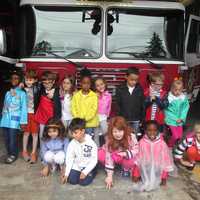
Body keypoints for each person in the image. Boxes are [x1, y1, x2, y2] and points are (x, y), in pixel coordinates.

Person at [132, 120, 173, 191]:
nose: (152, 133)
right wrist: (139, 168)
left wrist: (164, 169)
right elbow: (139, 155)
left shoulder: (161, 143)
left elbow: (165, 158)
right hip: (146, 163)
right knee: (135, 176)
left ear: (158, 131)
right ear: (145, 131)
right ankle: (138, 175)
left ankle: (163, 178)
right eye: (149, 130)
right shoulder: (142, 142)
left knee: (164, 170)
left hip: (158, 163)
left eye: (155, 130)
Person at [98, 116, 138, 189]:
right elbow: (108, 156)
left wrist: (126, 153)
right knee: (100, 154)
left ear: (124, 130)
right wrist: (109, 176)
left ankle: (126, 168)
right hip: (114, 156)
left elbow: (136, 149)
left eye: (120, 131)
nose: (118, 134)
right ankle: (111, 167)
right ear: (111, 131)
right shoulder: (109, 138)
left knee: (131, 160)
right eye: (115, 131)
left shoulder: (131, 136)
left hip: (124, 156)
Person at [0, 71, 27, 164]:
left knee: (12, 138)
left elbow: (24, 108)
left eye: (16, 78)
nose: (13, 80)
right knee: (6, 138)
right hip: (5, 119)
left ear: (20, 80)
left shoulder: (22, 94)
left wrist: (23, 122)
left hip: (15, 120)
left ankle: (13, 154)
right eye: (12, 78)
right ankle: (9, 153)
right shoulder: (8, 93)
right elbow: (4, 106)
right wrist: (2, 118)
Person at [61, 118, 97, 186]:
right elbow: (70, 159)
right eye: (72, 133)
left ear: (83, 131)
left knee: (83, 182)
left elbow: (94, 160)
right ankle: (81, 173)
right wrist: (66, 174)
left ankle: (93, 171)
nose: (73, 135)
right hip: (78, 165)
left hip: (88, 165)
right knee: (71, 180)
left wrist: (85, 172)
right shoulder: (72, 143)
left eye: (75, 133)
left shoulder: (91, 143)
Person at [116, 67, 144, 138]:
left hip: (136, 119)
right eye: (132, 80)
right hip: (124, 119)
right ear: (126, 77)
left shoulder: (140, 89)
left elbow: (142, 105)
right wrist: (119, 117)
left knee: (134, 136)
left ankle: (134, 148)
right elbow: (118, 105)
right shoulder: (120, 89)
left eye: (136, 80)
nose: (134, 82)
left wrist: (141, 118)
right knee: (123, 135)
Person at [34, 71, 61, 145]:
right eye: (44, 83)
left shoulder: (57, 91)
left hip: (52, 119)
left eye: (49, 82)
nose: (47, 85)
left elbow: (58, 105)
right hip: (42, 118)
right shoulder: (41, 89)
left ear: (53, 81)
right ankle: (43, 153)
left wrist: (53, 98)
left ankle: (53, 150)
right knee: (42, 135)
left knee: (53, 135)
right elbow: (33, 85)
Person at [71, 68, 99, 137]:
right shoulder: (76, 95)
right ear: (80, 83)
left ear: (90, 84)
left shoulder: (94, 96)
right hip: (78, 123)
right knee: (78, 137)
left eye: (88, 83)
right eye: (84, 83)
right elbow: (73, 107)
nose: (86, 85)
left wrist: (85, 119)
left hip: (89, 124)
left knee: (87, 139)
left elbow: (94, 109)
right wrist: (78, 118)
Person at [22, 69, 41, 163]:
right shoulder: (22, 89)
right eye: (27, 79)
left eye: (30, 80)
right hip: (25, 114)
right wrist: (20, 86)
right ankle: (24, 151)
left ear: (35, 80)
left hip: (34, 114)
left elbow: (44, 85)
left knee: (35, 134)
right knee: (26, 133)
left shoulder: (37, 88)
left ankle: (33, 153)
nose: (28, 82)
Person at [164, 79, 189, 148]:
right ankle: (170, 145)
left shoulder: (183, 98)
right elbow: (167, 111)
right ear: (172, 89)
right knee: (175, 136)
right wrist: (175, 118)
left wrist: (181, 118)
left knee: (180, 136)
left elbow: (185, 108)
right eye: (176, 90)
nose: (178, 92)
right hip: (172, 120)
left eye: (179, 90)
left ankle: (174, 143)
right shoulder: (169, 98)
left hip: (180, 120)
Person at [94, 77, 112, 146]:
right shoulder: (94, 95)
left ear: (105, 84)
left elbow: (109, 107)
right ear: (95, 87)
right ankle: (97, 149)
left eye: (101, 84)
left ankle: (108, 146)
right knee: (96, 135)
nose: (100, 87)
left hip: (103, 118)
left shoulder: (108, 95)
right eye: (97, 85)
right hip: (95, 117)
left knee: (106, 133)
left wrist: (107, 116)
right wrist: (96, 97)